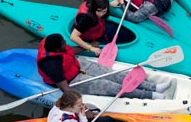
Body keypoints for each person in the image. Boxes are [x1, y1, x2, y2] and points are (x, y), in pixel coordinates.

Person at [36, 33, 171, 100]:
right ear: (57, 48)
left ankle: (153, 86)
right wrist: (80, 106)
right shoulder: (51, 65)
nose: (65, 43)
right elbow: (65, 89)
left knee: (112, 74)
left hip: (77, 64)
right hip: (71, 81)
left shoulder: (55, 46)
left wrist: (88, 48)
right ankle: (150, 95)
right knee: (110, 86)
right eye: (63, 43)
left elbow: (69, 52)